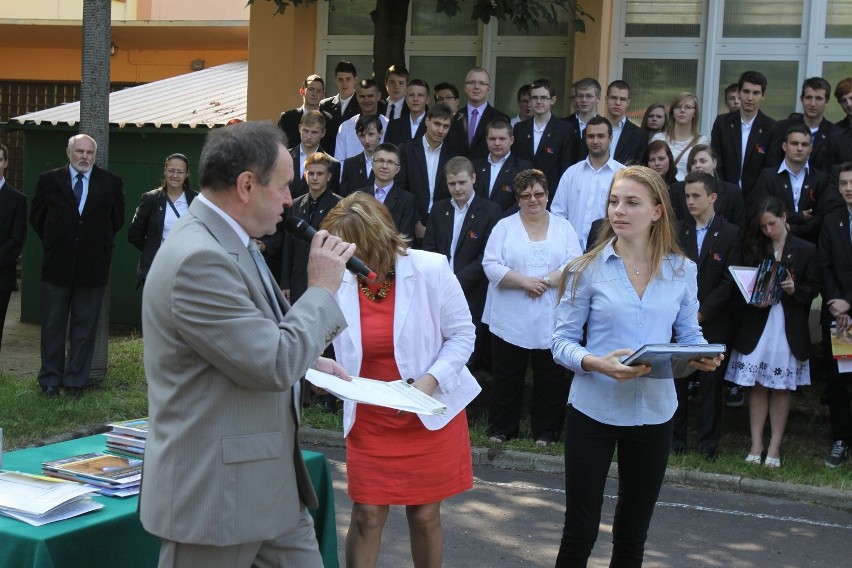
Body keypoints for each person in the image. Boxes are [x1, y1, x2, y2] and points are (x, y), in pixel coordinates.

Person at [139, 121, 354, 567]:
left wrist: (308, 366)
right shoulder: (200, 258)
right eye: (283, 186)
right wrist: (321, 289)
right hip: (218, 496)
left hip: (269, 484)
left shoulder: (231, 240)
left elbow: (250, 341)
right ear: (246, 185)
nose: (290, 198)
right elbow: (273, 360)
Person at [551, 165, 722, 566]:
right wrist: (596, 362)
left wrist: (701, 355)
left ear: (657, 211)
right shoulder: (584, 269)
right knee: (580, 531)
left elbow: (688, 335)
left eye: (631, 203)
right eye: (614, 201)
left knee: (632, 535)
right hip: (593, 410)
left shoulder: (682, 270)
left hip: (654, 414)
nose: (619, 211)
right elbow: (560, 343)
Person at [320, 192, 481, 568]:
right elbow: (307, 338)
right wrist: (315, 366)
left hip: (425, 413)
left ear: (384, 238)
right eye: (345, 254)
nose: (354, 264)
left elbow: (462, 335)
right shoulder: (337, 280)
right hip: (370, 418)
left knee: (425, 517)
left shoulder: (431, 268)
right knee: (366, 516)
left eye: (360, 253)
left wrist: (429, 381)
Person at [482, 169, 583, 445]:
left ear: (547, 195)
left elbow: (574, 265)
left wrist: (547, 281)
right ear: (517, 199)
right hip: (509, 315)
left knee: (550, 377)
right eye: (526, 195)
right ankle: (502, 429)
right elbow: (490, 265)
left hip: (550, 313)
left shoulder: (564, 227)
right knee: (507, 375)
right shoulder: (504, 227)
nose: (533, 200)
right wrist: (524, 281)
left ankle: (547, 433)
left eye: (538, 194)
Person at [724, 196, 819, 468]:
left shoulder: (804, 249)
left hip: (787, 325)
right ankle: (756, 444)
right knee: (757, 385)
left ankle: (775, 446)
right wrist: (754, 296)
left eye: (772, 224)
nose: (768, 230)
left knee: (780, 388)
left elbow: (813, 288)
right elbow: (744, 282)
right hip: (759, 322)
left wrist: (794, 290)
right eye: (764, 226)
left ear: (784, 218)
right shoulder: (756, 246)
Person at [29, 134, 124, 397]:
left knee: (84, 328)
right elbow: (37, 218)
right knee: (52, 327)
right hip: (56, 267)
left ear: (95, 156)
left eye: (89, 153)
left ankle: (74, 382)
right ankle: (50, 380)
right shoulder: (49, 181)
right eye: (79, 151)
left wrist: (92, 244)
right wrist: (60, 242)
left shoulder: (111, 183)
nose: (84, 157)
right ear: (69, 153)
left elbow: (116, 220)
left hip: (93, 269)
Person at [673, 172, 741, 460]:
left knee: (711, 386)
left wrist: (702, 313)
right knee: (677, 382)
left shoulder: (730, 233)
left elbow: (730, 281)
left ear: (712, 197)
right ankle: (674, 442)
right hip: (678, 320)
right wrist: (686, 314)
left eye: (696, 195)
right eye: (687, 195)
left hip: (714, 320)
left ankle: (707, 446)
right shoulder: (676, 231)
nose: (690, 201)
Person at [423, 157, 502, 371]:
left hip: (472, 290)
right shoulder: (438, 210)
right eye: (452, 184)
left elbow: (486, 257)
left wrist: (454, 282)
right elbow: (428, 248)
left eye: (462, 182)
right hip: (437, 289)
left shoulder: (491, 211)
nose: (457, 189)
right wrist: (439, 281)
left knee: (466, 349)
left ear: (473, 179)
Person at [751, 123, 840, 244]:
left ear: (811, 148)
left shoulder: (821, 179)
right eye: (794, 143)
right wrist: (800, 216)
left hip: (810, 245)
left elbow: (820, 218)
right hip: (772, 244)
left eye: (804, 144)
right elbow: (764, 211)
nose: (799, 148)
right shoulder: (768, 176)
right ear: (784, 146)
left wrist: (790, 229)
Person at [818, 162, 852, 468]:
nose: (848, 188)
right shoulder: (832, 221)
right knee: (841, 381)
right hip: (838, 320)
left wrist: (849, 303)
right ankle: (841, 439)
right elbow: (824, 265)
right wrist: (834, 303)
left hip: (848, 309)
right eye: (843, 183)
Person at [551, 116, 626, 249]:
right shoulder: (571, 173)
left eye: (601, 136)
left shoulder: (623, 175)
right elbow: (558, 214)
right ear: (585, 139)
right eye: (591, 136)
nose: (595, 141)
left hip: (609, 249)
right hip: (571, 251)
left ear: (610, 138)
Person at [128, 153, 198, 288]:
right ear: (165, 171)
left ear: (186, 174)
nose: (175, 175)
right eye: (171, 170)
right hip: (157, 268)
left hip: (188, 270)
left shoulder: (196, 200)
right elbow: (134, 235)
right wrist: (153, 248)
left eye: (180, 172)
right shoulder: (150, 199)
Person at [711, 70, 782, 202]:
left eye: (756, 93)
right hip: (724, 197)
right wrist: (724, 193)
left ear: (763, 96)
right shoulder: (722, 123)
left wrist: (755, 200)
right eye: (746, 91)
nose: (750, 98)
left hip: (757, 201)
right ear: (739, 92)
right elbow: (716, 161)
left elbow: (770, 169)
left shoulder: (772, 128)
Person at [281, 152, 342, 304]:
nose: (315, 178)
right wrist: (285, 283)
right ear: (304, 175)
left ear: (328, 176)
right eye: (311, 173)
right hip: (298, 279)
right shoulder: (295, 205)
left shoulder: (339, 205)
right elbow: (288, 246)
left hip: (326, 278)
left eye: (320, 174)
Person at [397, 104, 457, 244]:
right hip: (409, 223)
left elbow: (452, 193)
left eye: (445, 126)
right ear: (427, 121)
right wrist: (416, 222)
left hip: (442, 224)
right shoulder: (406, 149)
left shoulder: (452, 156)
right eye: (437, 124)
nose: (440, 130)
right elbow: (401, 187)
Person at [512, 78, 575, 198]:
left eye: (543, 98)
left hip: (551, 194)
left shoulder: (565, 129)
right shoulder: (519, 128)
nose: (539, 101)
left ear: (553, 100)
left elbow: (566, 167)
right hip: (523, 193)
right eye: (534, 98)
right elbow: (514, 162)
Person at [776, 77, 839, 174]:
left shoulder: (836, 134)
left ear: (827, 102)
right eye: (808, 97)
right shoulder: (782, 128)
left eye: (818, 98)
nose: (812, 104)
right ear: (801, 99)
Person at [355, 143, 417, 239]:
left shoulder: (407, 200)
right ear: (372, 164)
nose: (384, 166)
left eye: (390, 162)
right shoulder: (358, 196)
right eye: (380, 161)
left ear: (397, 169)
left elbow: (405, 239)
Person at [446, 67, 509, 160]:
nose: (476, 87)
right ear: (465, 88)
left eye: (482, 83)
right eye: (472, 82)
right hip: (458, 172)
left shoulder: (501, 119)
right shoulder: (453, 118)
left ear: (488, 89)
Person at [0, 143, 27, 353]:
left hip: (1, 276)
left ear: (6, 163)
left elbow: (17, 240)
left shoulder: (18, 200)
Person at [475, 118, 533, 212]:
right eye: (492, 139)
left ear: (511, 140)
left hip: (507, 223)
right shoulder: (475, 166)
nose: (497, 143)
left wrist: (500, 222)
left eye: (502, 139)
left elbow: (523, 200)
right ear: (486, 140)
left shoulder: (524, 168)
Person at [651, 92, 710, 181]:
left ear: (695, 113)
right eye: (678, 107)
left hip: (689, 190)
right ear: (672, 112)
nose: (682, 110)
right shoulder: (659, 138)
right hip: (663, 189)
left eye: (687, 107)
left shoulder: (702, 141)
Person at [277, 73, 336, 153]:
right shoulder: (287, 118)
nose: (314, 94)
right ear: (302, 91)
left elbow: (331, 149)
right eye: (311, 89)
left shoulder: (330, 120)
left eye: (319, 91)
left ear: (323, 95)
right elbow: (279, 147)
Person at [288, 110, 340, 199]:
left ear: (323, 133)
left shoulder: (333, 164)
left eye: (314, 132)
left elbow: (330, 200)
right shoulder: (283, 157)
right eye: (305, 131)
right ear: (300, 128)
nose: (308, 136)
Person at [334, 79, 388, 162]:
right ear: (356, 97)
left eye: (370, 96)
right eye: (362, 96)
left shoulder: (388, 126)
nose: (366, 100)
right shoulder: (345, 127)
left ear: (378, 96)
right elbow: (340, 161)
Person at [605, 80, 647, 166]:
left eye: (622, 99)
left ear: (628, 102)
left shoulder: (639, 135)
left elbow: (638, 168)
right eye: (614, 98)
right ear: (606, 99)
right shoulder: (592, 130)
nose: (617, 103)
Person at [339, 114, 383, 196]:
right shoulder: (350, 164)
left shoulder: (388, 163)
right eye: (362, 135)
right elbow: (343, 195)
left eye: (371, 134)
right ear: (357, 135)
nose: (366, 140)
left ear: (380, 134)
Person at [563, 77, 602, 165]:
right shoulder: (563, 125)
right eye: (580, 96)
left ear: (598, 98)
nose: (584, 100)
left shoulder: (604, 126)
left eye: (589, 96)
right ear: (575, 98)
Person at [385, 78, 429, 147]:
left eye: (420, 95)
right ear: (406, 98)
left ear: (427, 100)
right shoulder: (393, 126)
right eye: (411, 95)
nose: (415, 99)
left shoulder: (435, 126)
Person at [320, 59, 360, 126]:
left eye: (348, 79)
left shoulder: (362, 104)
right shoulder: (325, 105)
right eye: (340, 79)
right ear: (336, 81)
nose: (344, 83)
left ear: (355, 80)